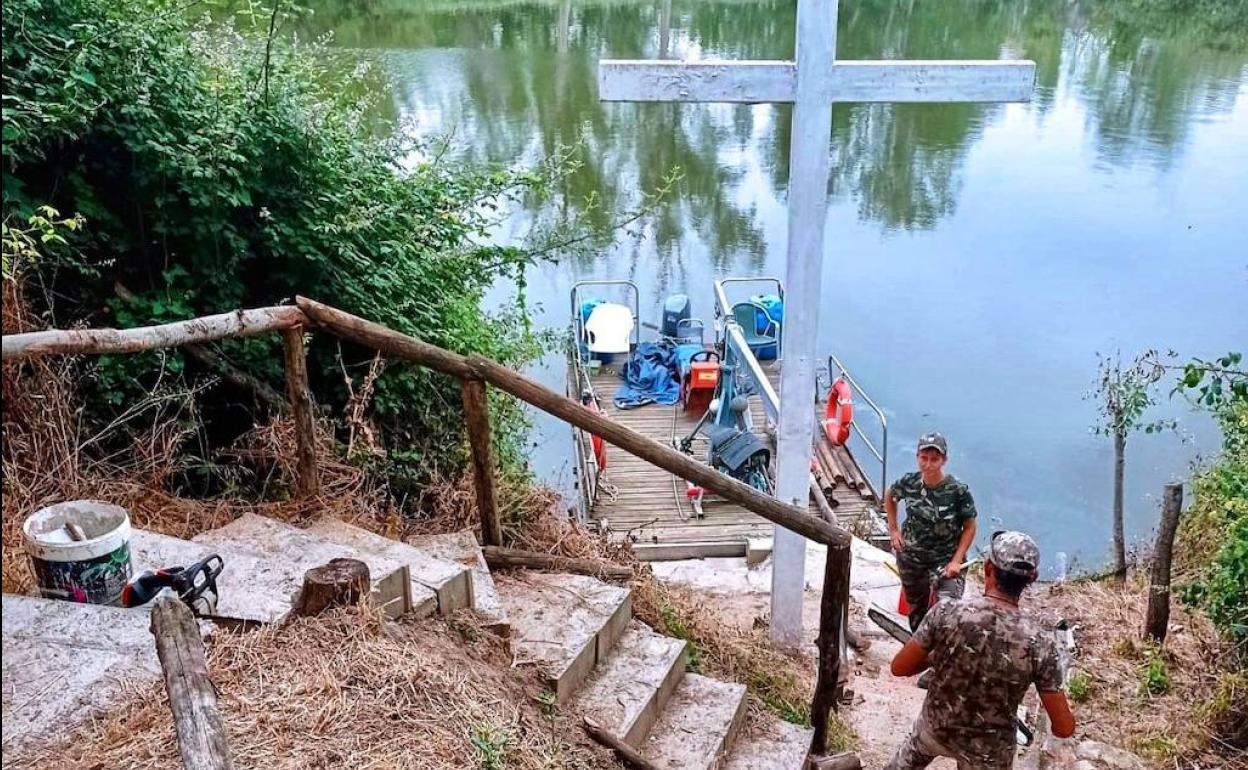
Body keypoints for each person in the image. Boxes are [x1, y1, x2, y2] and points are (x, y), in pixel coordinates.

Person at [885, 530, 1076, 770]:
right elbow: (1063, 727)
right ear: (1032, 578)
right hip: (990, 751)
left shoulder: (946, 612)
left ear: (987, 568)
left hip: (936, 728)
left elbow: (899, 667)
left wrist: (937, 657)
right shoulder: (1040, 642)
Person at [885, 432, 978, 631]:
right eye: (923, 458)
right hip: (912, 557)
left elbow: (970, 526)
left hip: (946, 560)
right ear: (917, 457)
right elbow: (890, 496)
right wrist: (893, 530)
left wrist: (956, 561)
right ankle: (918, 650)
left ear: (944, 460)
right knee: (916, 610)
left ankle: (942, 651)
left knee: (947, 610)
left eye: (934, 459)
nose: (928, 464)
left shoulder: (957, 491)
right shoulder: (909, 483)